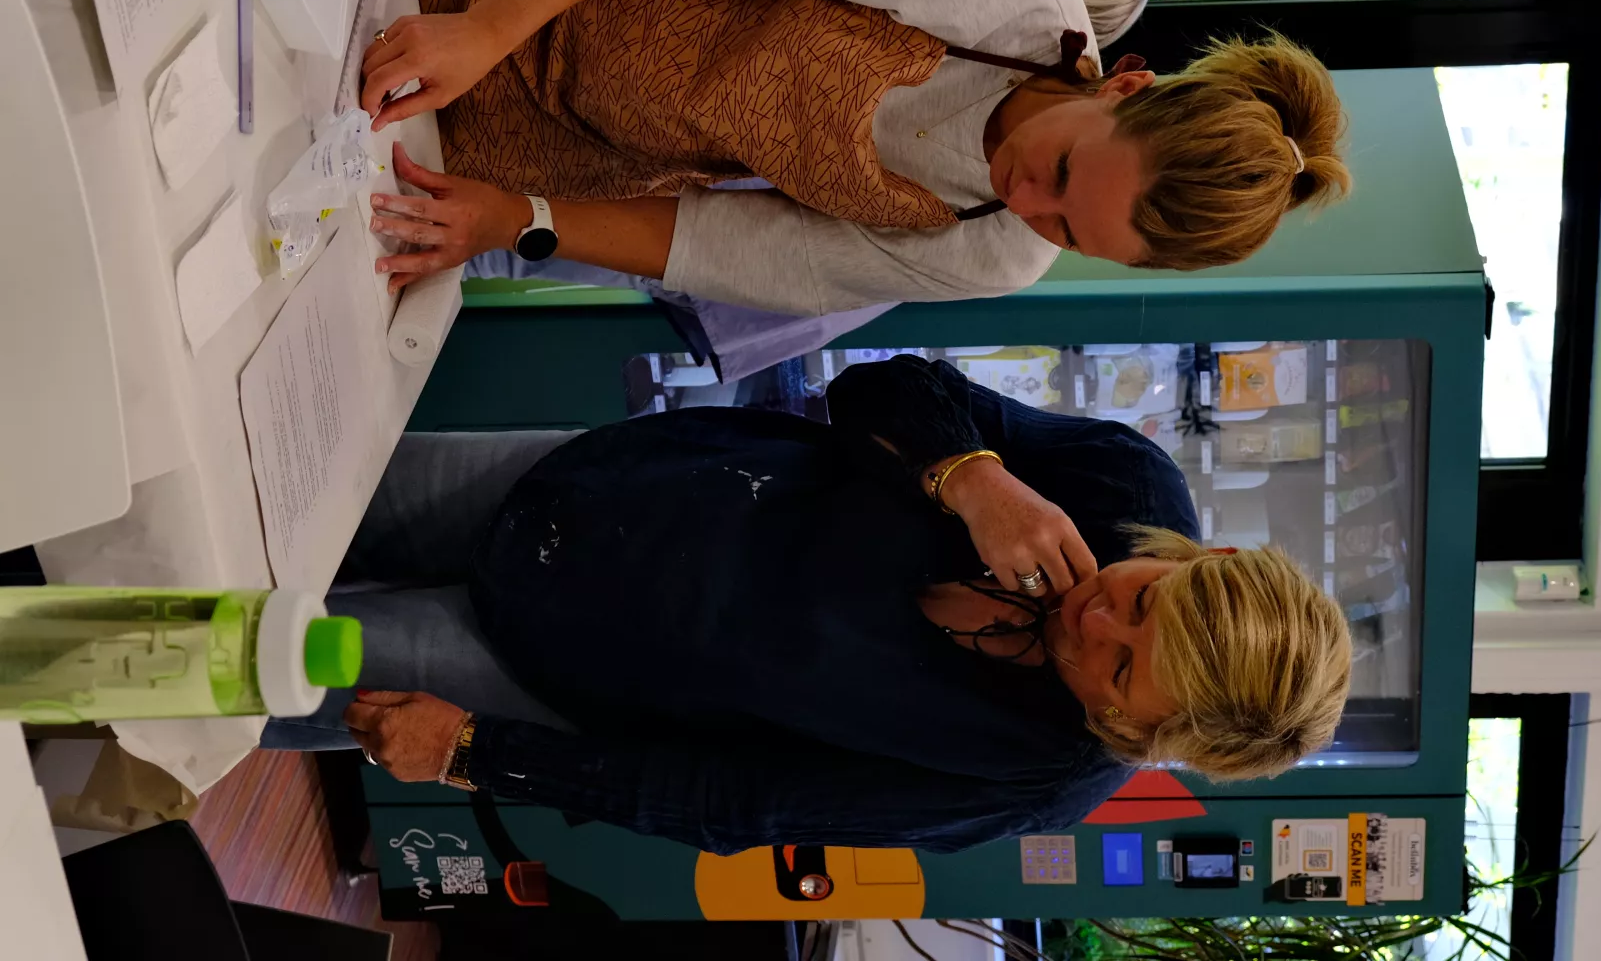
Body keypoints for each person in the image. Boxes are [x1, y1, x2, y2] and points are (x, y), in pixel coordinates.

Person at [262, 356, 1353, 853]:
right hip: (601, 489)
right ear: (1204, 555)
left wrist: (476, 756)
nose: (1094, 619)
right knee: (268, 489)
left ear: (1139, 736)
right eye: (1146, 598)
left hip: (555, 663)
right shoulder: (1126, 488)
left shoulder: (1032, 776)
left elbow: (739, 804)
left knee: (232, 658)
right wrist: (975, 476)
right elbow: (878, 388)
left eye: (1117, 671)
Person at [362, 0, 1349, 317]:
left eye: (1069, 233)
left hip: (578, 132)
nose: (1025, 199)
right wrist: (485, 28)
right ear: (1124, 84)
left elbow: (730, 246)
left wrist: (517, 219)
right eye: (1058, 172)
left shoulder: (996, 253)